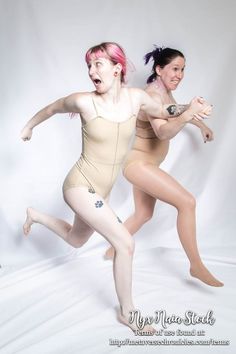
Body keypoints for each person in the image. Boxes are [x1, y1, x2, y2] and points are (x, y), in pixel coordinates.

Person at [21, 42, 212, 332]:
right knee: (125, 243)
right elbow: (52, 108)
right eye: (89, 65)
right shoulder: (83, 101)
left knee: (75, 239)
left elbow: (165, 108)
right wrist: (29, 126)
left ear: (117, 68)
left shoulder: (136, 99)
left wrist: (190, 108)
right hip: (79, 185)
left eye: (98, 64)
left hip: (102, 190)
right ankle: (129, 312)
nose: (91, 70)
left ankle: (36, 215)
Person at [104, 45, 223, 288]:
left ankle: (110, 251)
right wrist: (189, 115)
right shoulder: (152, 96)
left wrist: (202, 126)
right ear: (159, 69)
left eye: (182, 70)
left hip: (145, 164)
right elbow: (163, 131)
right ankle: (196, 266)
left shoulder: (165, 92)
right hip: (138, 165)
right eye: (174, 69)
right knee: (187, 202)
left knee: (143, 214)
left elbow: (175, 113)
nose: (179, 74)